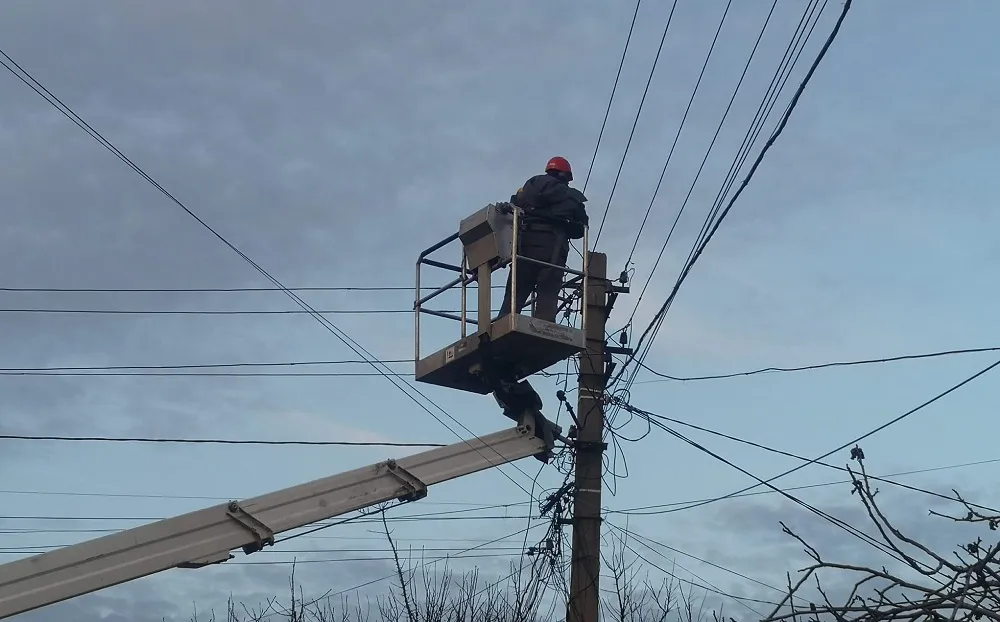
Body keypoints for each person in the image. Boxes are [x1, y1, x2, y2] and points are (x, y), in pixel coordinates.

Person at [497, 156, 589, 323]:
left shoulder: (526, 190)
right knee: (547, 292)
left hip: (524, 248)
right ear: (564, 176)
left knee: (515, 292)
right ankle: (544, 326)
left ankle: (503, 323)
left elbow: (511, 209)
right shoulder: (571, 197)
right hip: (552, 251)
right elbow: (581, 228)